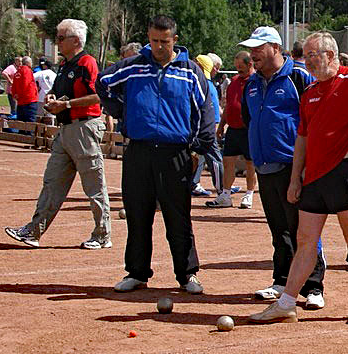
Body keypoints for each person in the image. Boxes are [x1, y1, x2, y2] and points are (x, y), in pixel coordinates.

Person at [248, 32, 348, 325]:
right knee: (305, 240)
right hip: (314, 175)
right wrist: (295, 179)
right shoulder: (309, 92)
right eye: (306, 56)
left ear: (331, 55)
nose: (308, 61)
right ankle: (286, 304)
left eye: (314, 55)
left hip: (347, 170)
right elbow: (302, 137)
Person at [98, 15, 215, 295]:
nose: (159, 47)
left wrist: (198, 147)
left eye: (164, 41)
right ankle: (137, 273)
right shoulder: (133, 66)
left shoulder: (190, 72)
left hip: (176, 153)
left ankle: (187, 274)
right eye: (153, 41)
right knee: (138, 214)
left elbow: (205, 110)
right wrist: (123, 111)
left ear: (175, 40)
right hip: (139, 150)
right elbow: (102, 83)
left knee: (178, 217)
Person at [4, 19, 112, 249]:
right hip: (65, 129)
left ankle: (102, 234)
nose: (57, 42)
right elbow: (57, 90)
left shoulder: (87, 63)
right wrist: (52, 98)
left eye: (61, 38)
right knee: (52, 182)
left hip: (84, 128)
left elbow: (98, 95)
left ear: (76, 41)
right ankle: (34, 231)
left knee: (94, 184)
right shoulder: (64, 65)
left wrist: (68, 104)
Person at [238, 26, 327, 304]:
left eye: (258, 48)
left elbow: (316, 121)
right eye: (251, 49)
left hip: (294, 166)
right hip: (265, 166)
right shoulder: (251, 84)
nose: (253, 55)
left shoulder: (299, 77)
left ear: (275, 48)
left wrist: (305, 167)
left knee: (304, 230)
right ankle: (281, 280)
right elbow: (250, 120)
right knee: (279, 230)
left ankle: (313, 287)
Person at [208, 50, 257, 209]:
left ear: (250, 64)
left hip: (249, 130)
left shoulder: (256, 81)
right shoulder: (234, 81)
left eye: (240, 66)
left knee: (250, 163)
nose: (238, 70)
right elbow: (229, 106)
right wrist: (222, 125)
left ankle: (249, 194)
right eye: (236, 66)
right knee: (228, 161)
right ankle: (226, 194)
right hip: (233, 129)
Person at [191, 55, 224, 201]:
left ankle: (193, 184)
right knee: (214, 158)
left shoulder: (206, 84)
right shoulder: (206, 84)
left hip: (204, 127)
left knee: (200, 158)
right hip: (205, 128)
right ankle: (222, 188)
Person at [11, 56, 39, 123]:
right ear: (28, 63)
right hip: (29, 100)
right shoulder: (27, 70)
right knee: (30, 122)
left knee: (21, 122)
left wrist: (15, 95)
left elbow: (14, 85)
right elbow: (26, 84)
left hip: (20, 101)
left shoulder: (18, 72)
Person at [34, 59, 57, 124]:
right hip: (51, 97)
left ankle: (38, 129)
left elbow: (32, 78)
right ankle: (50, 129)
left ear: (45, 66)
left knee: (39, 116)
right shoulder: (55, 75)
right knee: (50, 117)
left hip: (42, 97)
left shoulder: (41, 73)